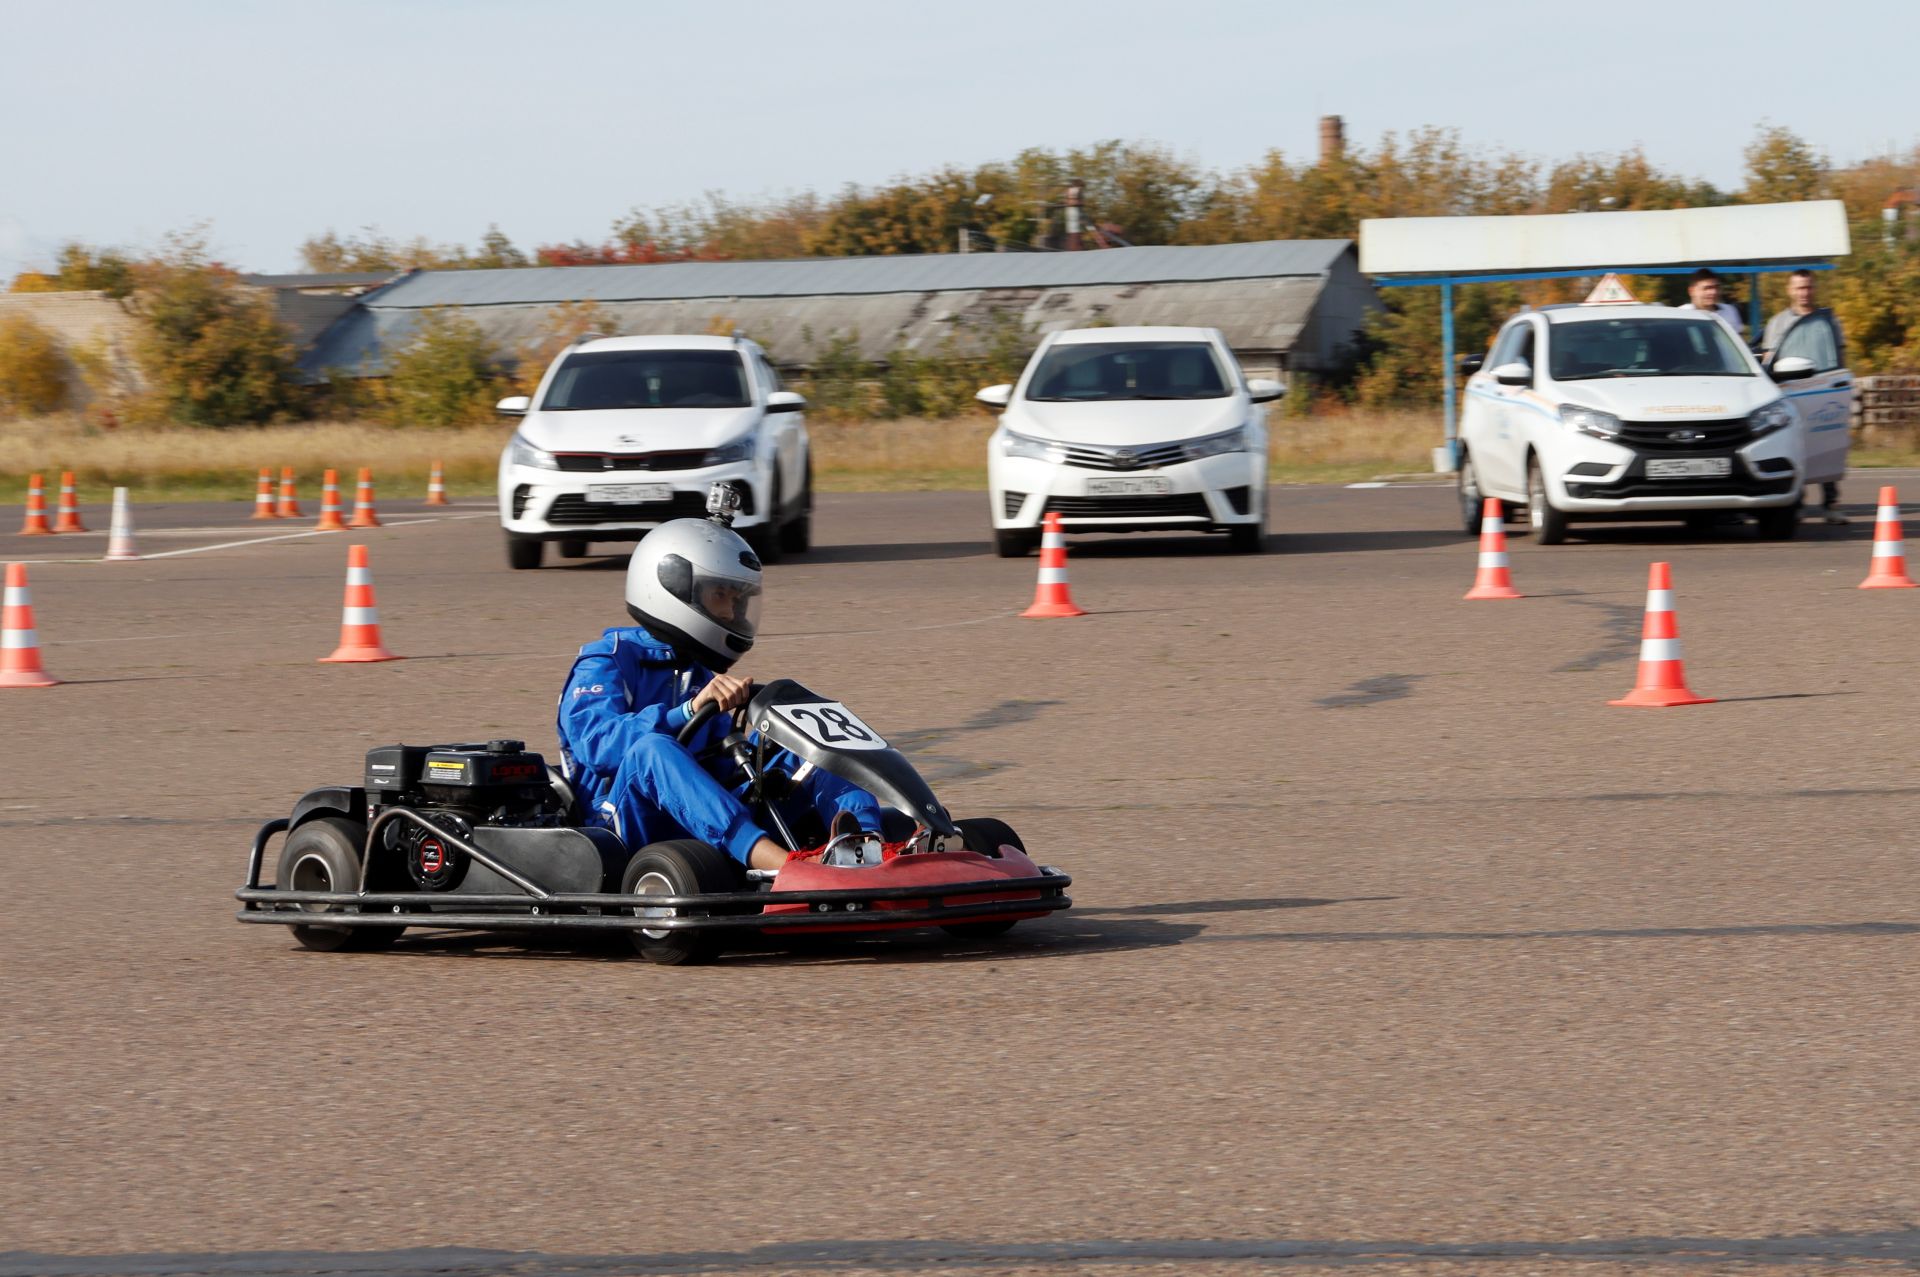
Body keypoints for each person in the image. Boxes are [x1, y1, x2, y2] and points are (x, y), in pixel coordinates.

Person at [556, 489, 880, 870]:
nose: (729, 610)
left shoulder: (696, 669)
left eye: (736, 598)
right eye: (718, 596)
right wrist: (686, 711)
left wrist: (769, 744)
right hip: (616, 825)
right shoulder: (606, 661)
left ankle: (866, 846)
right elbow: (598, 747)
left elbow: (719, 761)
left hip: (694, 816)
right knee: (652, 750)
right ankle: (782, 866)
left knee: (799, 730)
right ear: (674, 588)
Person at [1762, 269, 1848, 524]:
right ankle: (1796, 503)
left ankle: (1831, 504)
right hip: (1791, 393)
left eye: (1808, 287)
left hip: (1821, 391)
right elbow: (1769, 360)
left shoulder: (1828, 322)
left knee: (1827, 445)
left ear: (1814, 288)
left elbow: (1839, 357)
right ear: (1790, 290)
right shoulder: (1777, 323)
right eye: (1799, 288)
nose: (1804, 293)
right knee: (1796, 447)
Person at [1678, 267, 1744, 336]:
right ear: (1691, 291)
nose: (1713, 292)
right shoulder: (1680, 315)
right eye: (1707, 288)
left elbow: (1739, 341)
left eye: (1716, 287)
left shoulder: (1729, 311)